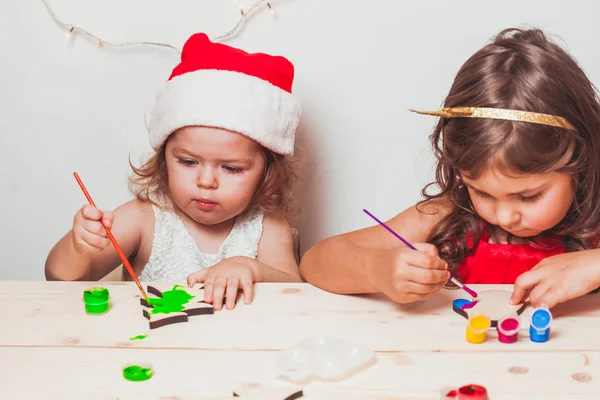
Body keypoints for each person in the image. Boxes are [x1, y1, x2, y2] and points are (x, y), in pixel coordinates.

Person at [299, 28, 600, 309]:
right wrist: (377, 270)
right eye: (481, 192)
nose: (505, 216)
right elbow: (314, 261)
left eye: (529, 196)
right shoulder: (447, 217)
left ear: (580, 160)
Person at [46, 33, 303, 310]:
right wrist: (78, 247)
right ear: (164, 158)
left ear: (267, 172)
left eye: (231, 168)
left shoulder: (266, 228)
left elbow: (297, 293)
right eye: (188, 162)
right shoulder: (144, 217)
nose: (206, 181)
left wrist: (252, 269)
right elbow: (60, 279)